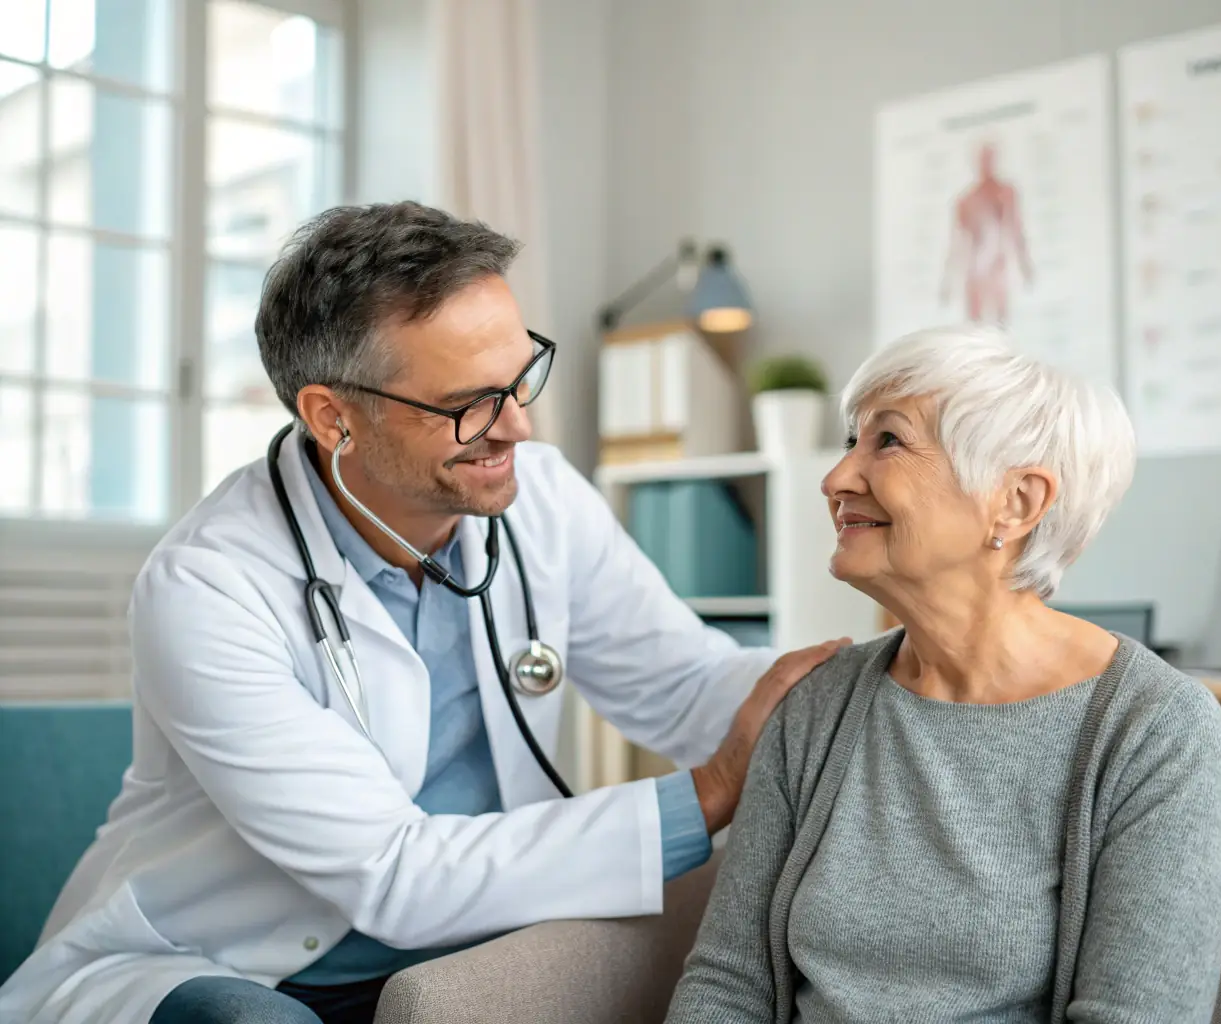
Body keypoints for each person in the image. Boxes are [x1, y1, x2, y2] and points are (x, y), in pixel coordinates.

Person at [0, 202, 846, 1024]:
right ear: (334, 416)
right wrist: (705, 795)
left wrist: (853, 689)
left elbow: (687, 685)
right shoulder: (207, 588)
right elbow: (393, 875)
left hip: (456, 948)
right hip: (231, 959)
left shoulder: (541, 498)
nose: (516, 425)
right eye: (467, 404)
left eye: (521, 377)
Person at [666, 325, 1221, 1024]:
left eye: (888, 441)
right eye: (852, 441)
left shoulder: (1152, 726)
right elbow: (727, 983)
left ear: (1017, 502)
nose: (836, 478)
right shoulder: (814, 705)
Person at [939, 142, 1033, 326]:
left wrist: (1025, 265)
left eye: (989, 158)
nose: (986, 163)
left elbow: (1015, 228)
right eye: (983, 159)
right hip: (974, 272)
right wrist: (947, 281)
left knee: (1000, 326)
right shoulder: (966, 200)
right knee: (975, 330)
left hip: (997, 268)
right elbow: (957, 244)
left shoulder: (1005, 192)